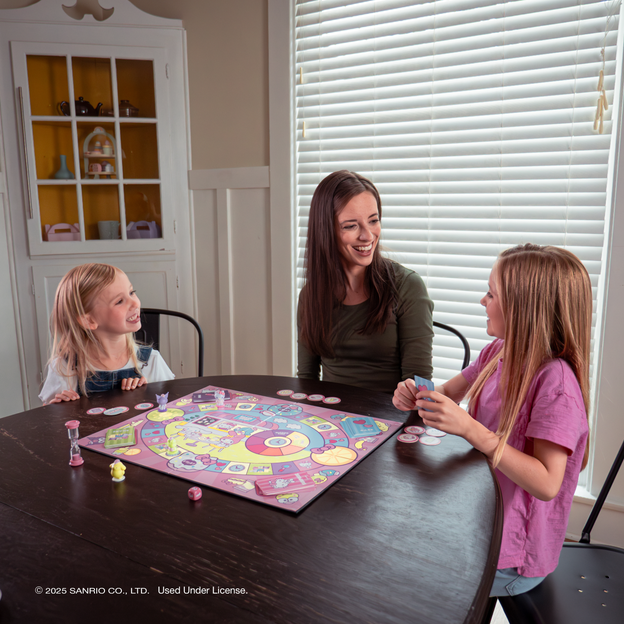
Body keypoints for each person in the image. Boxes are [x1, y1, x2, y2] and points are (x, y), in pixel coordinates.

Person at [393, 243, 591, 597]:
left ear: (523, 308)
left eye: (491, 294)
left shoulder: (555, 384)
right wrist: (416, 394)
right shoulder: (498, 350)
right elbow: (449, 393)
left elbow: (547, 483)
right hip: (482, 521)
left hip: (512, 558)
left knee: (405, 576)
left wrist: (471, 430)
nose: (483, 301)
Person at [297, 170, 433, 393]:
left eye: (373, 221)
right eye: (351, 226)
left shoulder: (408, 286)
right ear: (326, 231)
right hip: (329, 421)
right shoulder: (310, 296)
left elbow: (421, 385)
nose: (368, 236)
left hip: (391, 421)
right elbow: (307, 380)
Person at [39, 263, 174, 405]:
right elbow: (50, 419)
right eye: (120, 301)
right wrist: (57, 409)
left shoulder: (150, 362)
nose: (135, 303)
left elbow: (173, 407)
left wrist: (148, 394)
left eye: (131, 292)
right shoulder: (64, 369)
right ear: (89, 320)